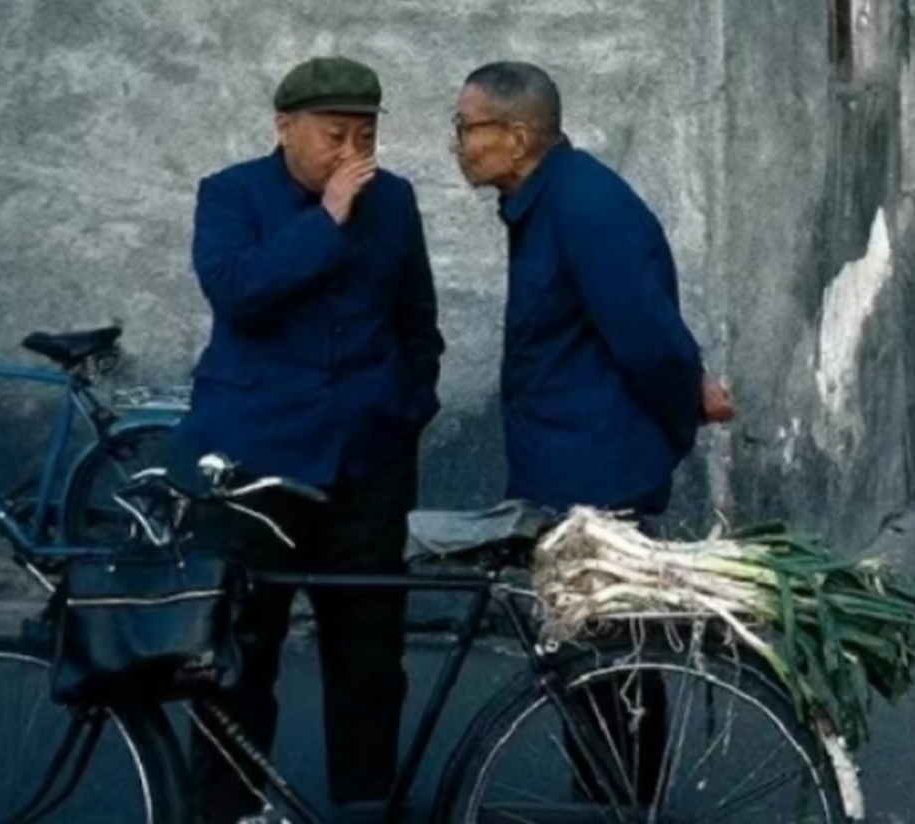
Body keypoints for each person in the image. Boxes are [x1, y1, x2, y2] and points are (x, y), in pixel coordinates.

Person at [172, 55, 445, 824]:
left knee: (368, 655)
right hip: (253, 464)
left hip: (365, 464)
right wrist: (325, 215)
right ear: (283, 126)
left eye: (366, 135)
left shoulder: (394, 201)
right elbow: (237, 294)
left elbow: (416, 321)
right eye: (335, 134)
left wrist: (406, 407)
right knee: (236, 653)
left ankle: (364, 803)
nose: (352, 152)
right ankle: (226, 811)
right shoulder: (230, 194)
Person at [451, 59, 733, 803]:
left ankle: (628, 803)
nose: (457, 143)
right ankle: (605, 796)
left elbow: (649, 341)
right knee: (587, 654)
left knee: (615, 656)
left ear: (515, 136)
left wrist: (680, 415)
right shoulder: (545, 199)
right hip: (568, 462)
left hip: (597, 473)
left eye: (465, 127)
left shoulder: (586, 206)